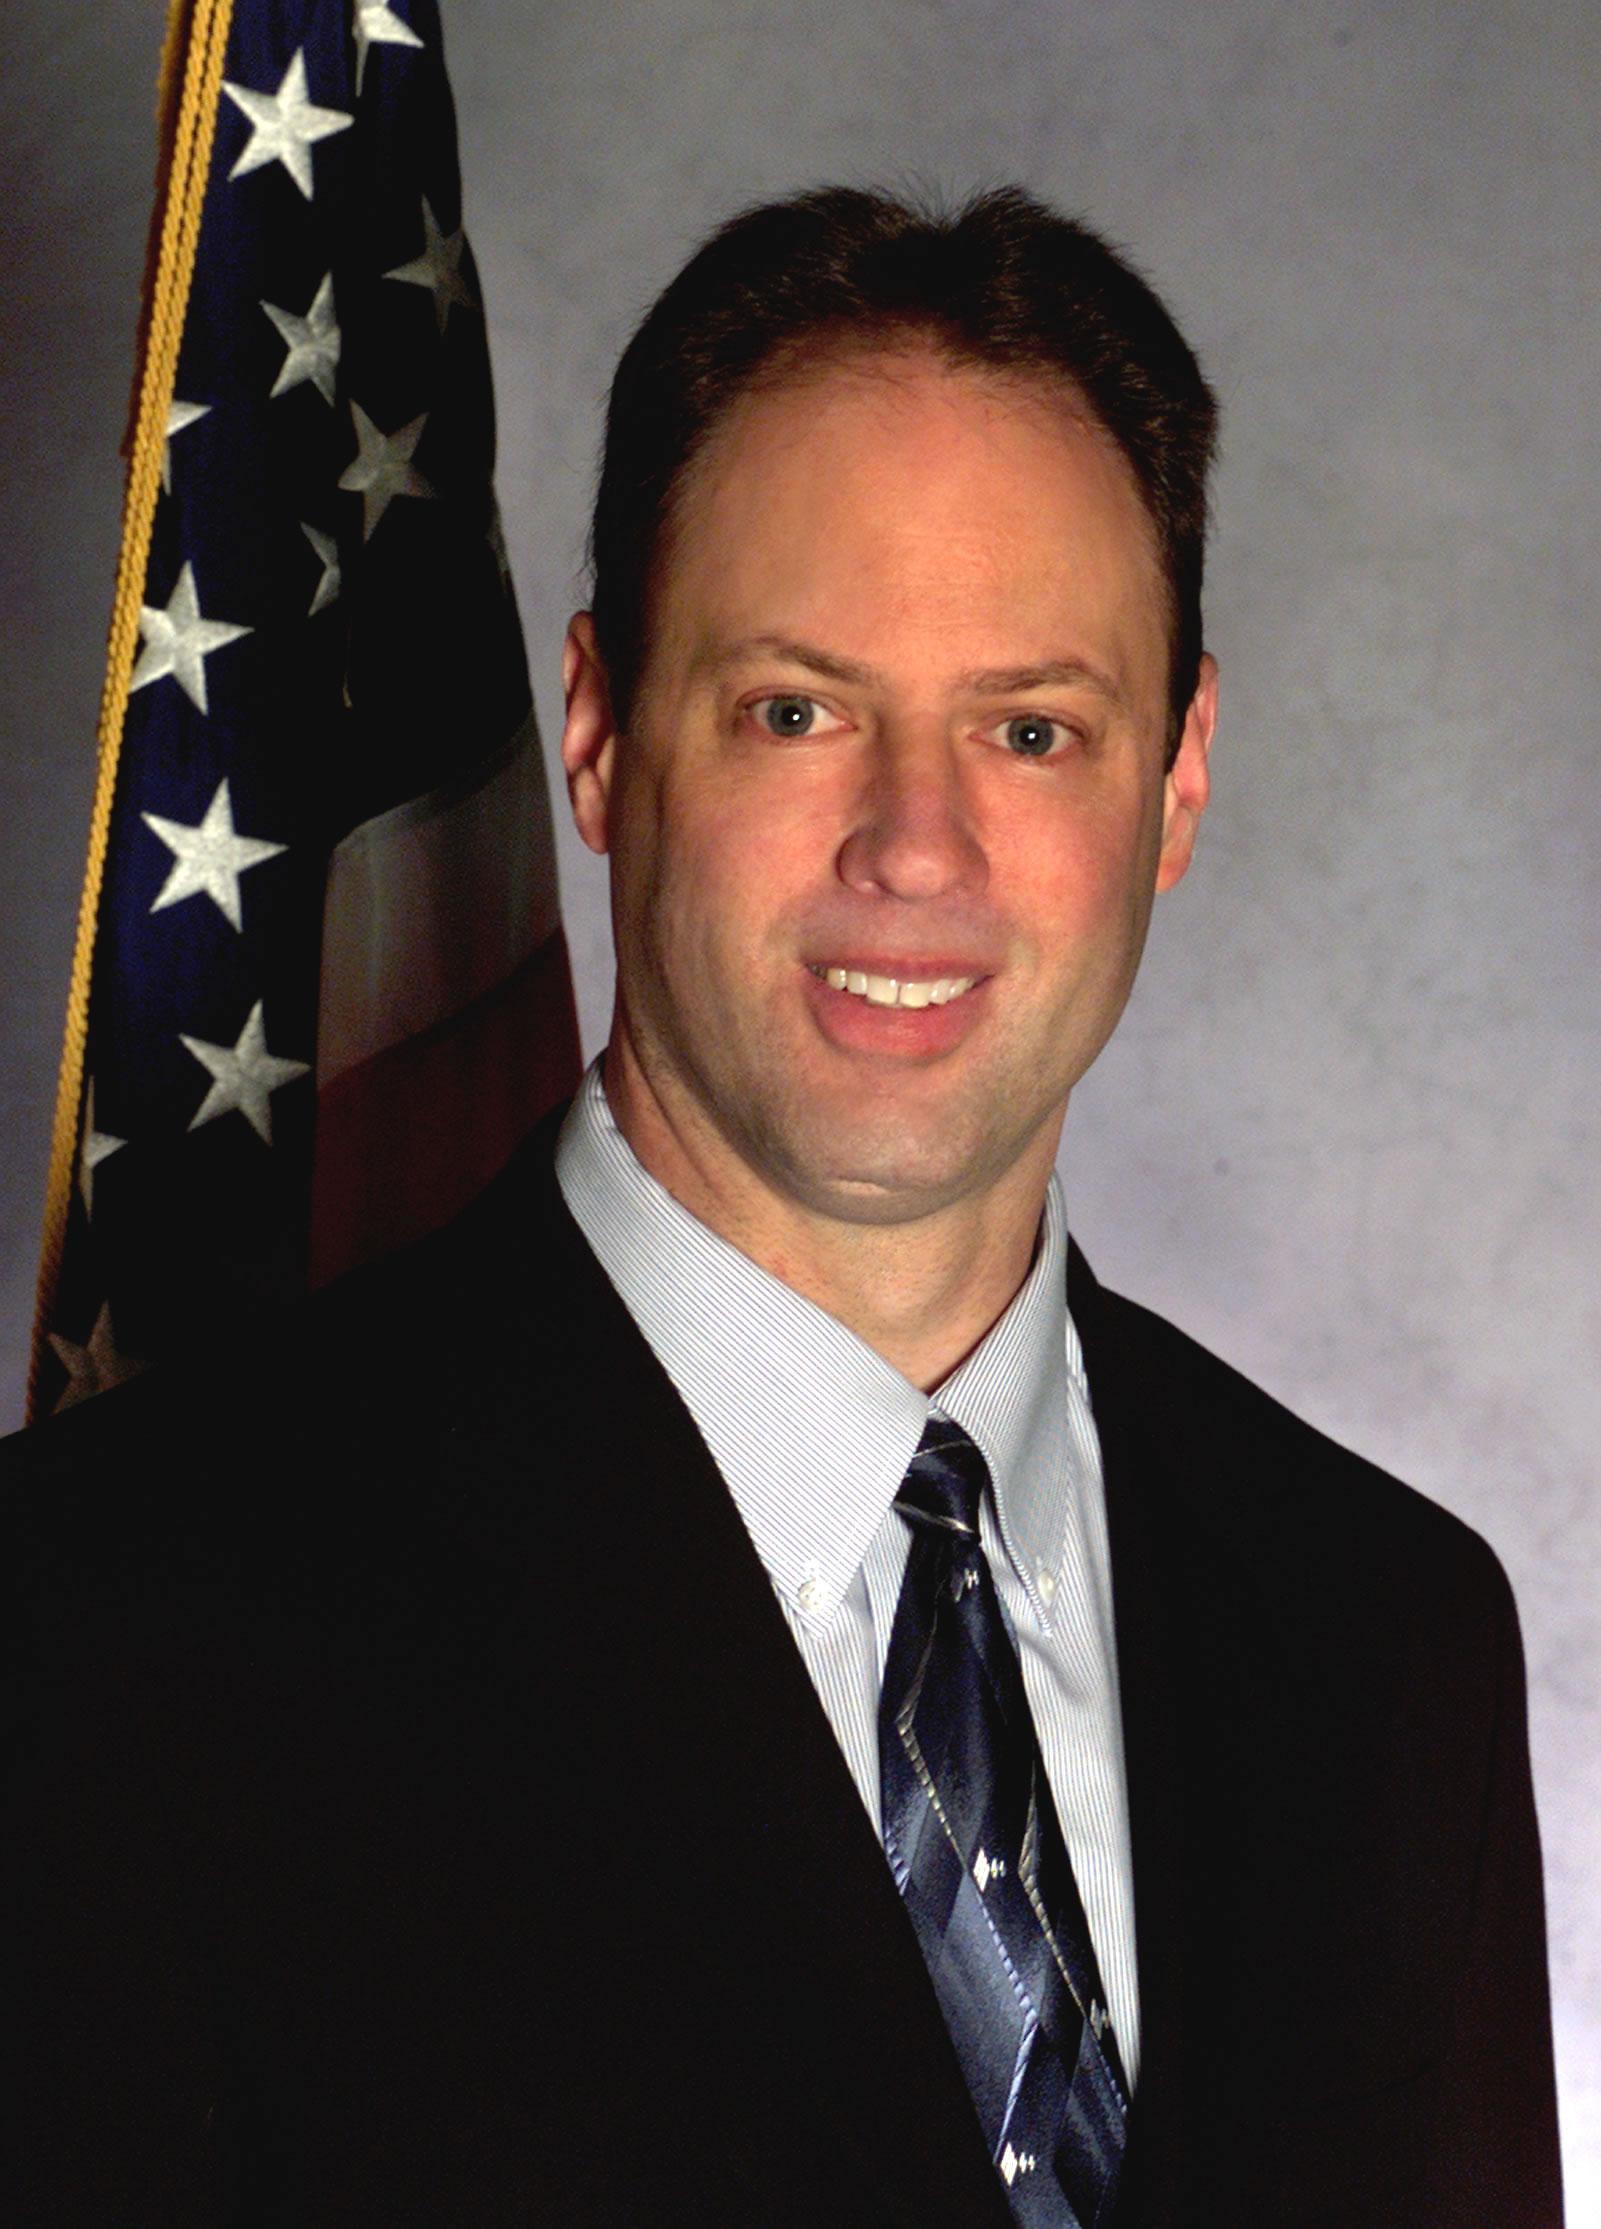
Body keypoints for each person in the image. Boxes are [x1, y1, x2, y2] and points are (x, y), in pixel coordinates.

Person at [1, 187, 1562, 2225]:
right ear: (597, 733)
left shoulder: (1390, 1649)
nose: (917, 845)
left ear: (1175, 781)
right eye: (797, 710)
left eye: (1030, 729)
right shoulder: (107, 1646)